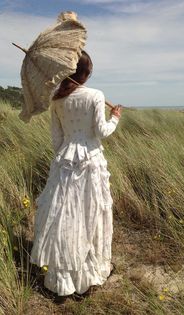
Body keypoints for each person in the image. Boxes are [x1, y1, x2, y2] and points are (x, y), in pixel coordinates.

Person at [30, 50, 122, 299]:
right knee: (90, 214)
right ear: (86, 73)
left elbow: (57, 140)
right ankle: (89, 273)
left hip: (65, 161)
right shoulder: (96, 95)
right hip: (91, 162)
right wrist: (114, 118)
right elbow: (101, 132)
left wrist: (66, 157)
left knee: (66, 216)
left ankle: (62, 277)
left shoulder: (57, 100)